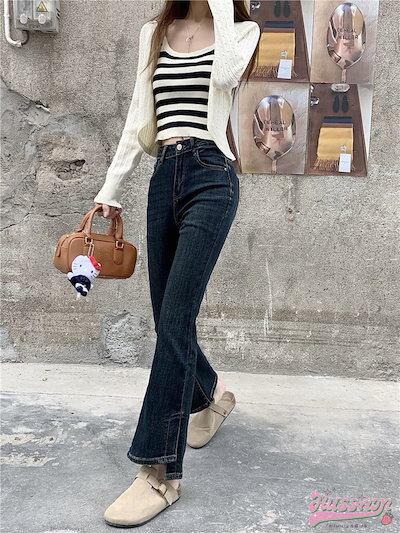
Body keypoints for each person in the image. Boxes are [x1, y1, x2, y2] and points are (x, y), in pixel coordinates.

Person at [93, 0, 260, 527]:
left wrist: (222, 6)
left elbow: (227, 75)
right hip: (163, 174)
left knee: (174, 318)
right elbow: (137, 115)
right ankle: (208, 399)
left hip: (212, 176)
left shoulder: (242, 32)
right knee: (167, 315)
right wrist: (110, 189)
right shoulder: (155, 31)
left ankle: (159, 471)